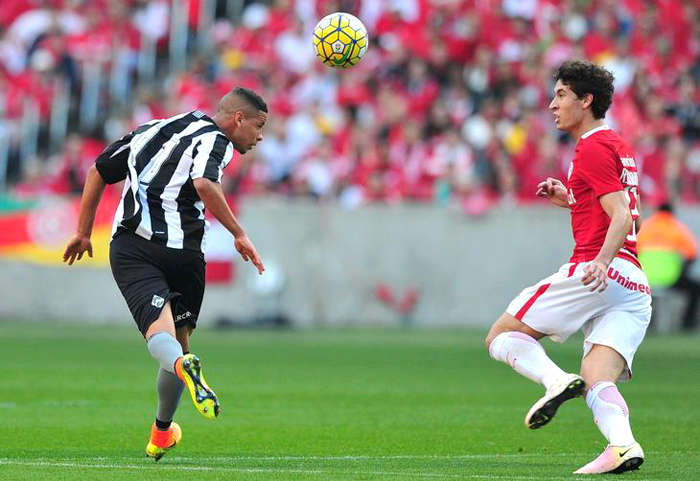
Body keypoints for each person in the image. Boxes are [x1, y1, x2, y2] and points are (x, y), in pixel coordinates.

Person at [62, 87, 268, 461]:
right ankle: (160, 433)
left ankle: (172, 398)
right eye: (258, 126)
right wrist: (239, 233)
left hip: (133, 247)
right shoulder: (216, 141)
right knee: (178, 345)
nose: (259, 136)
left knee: (163, 343)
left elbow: (97, 170)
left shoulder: (153, 128)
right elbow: (205, 182)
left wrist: (82, 231)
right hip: (185, 254)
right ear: (238, 118)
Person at [484, 61, 650, 475]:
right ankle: (623, 446)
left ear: (586, 100)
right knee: (598, 379)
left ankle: (555, 381)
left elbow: (622, 215)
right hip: (634, 285)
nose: (552, 104)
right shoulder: (618, 147)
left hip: (599, 270)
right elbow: (632, 216)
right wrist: (573, 200)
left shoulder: (591, 147)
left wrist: (601, 260)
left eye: (560, 95)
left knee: (501, 335)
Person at [637, 201, 699, 330]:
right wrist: (682, 271)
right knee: (696, 289)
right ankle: (687, 324)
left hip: (644, 279)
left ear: (657, 212)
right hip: (671, 279)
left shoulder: (645, 227)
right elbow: (692, 254)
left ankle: (648, 323)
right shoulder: (677, 228)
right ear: (671, 213)